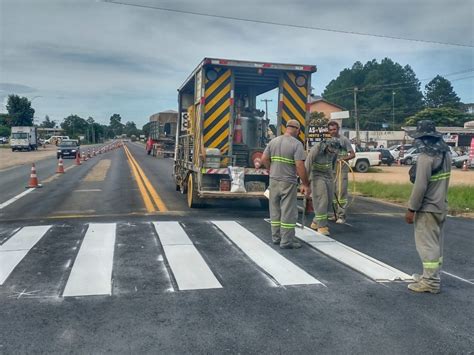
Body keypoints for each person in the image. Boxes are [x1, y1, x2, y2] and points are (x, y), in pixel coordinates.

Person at [405, 120, 451, 294]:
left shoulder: (426, 157)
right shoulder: (446, 155)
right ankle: (430, 275)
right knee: (436, 244)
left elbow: (420, 186)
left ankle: (430, 282)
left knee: (427, 245)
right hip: (441, 205)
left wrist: (411, 209)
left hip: (427, 207)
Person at [261, 119, 311, 249]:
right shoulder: (297, 144)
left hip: (274, 181)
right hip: (288, 181)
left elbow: (264, 159)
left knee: (275, 210)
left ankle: (276, 238)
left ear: (287, 128)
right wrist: (305, 183)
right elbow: (300, 165)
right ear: (297, 129)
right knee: (288, 212)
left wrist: (270, 169)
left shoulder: (274, 141)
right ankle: (287, 241)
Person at [305, 137, 341, 236]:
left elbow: (333, 164)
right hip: (317, 175)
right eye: (331, 149)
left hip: (328, 175)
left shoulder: (335, 151)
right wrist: (305, 183)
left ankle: (316, 222)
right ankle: (322, 226)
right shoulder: (316, 149)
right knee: (322, 200)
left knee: (329, 201)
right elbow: (307, 165)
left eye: (335, 149)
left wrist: (333, 177)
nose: (333, 151)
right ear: (326, 146)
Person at [328, 121, 355, 224]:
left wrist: (343, 158)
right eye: (330, 130)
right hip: (332, 169)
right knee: (334, 192)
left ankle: (342, 216)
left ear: (338, 129)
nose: (332, 131)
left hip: (342, 169)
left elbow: (352, 154)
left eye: (334, 129)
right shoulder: (329, 141)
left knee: (341, 192)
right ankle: (335, 214)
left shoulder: (344, 140)